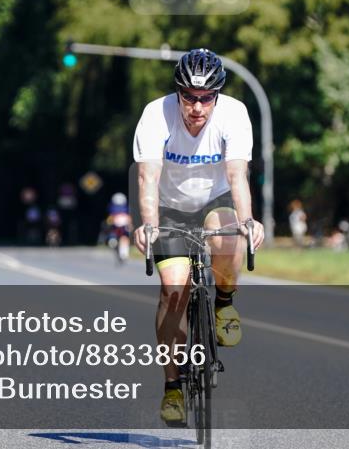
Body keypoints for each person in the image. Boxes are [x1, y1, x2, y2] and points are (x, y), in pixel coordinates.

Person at [132, 48, 265, 425]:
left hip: (216, 199)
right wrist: (148, 223)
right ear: (178, 92)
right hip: (171, 207)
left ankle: (224, 301)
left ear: (217, 96)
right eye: (189, 97)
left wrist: (249, 220)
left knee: (227, 234)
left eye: (207, 98)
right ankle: (173, 387)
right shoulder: (155, 115)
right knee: (174, 290)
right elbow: (147, 179)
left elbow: (238, 175)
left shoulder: (235, 114)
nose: (197, 107)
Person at [106, 192, 133, 264]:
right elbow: (110, 218)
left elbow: (129, 218)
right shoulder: (112, 208)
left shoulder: (126, 208)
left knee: (124, 238)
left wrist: (129, 224)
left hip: (123, 227)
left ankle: (124, 253)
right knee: (116, 238)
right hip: (116, 227)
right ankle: (121, 250)